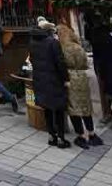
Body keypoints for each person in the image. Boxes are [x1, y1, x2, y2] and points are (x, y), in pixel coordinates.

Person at [57, 23, 102, 149]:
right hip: (82, 77)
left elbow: (61, 64)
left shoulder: (63, 48)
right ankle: (92, 133)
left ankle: (81, 135)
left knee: (73, 108)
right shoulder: (78, 47)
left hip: (70, 78)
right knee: (85, 106)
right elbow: (86, 63)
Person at [29, 17, 71, 148]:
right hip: (54, 79)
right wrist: (66, 79)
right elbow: (60, 63)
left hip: (40, 79)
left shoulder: (32, 42)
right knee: (58, 108)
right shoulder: (53, 43)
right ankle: (60, 138)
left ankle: (51, 135)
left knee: (47, 108)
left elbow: (32, 60)